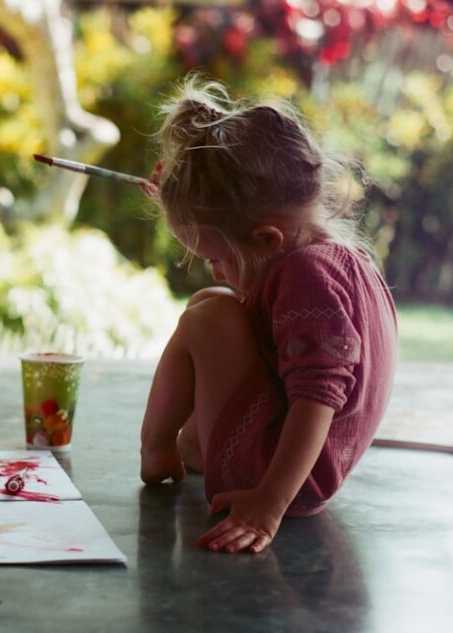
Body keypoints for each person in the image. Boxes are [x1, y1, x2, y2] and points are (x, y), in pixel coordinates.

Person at [139, 76, 398, 554]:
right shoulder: (335, 259)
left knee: (207, 316)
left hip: (280, 479)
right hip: (289, 465)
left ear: (266, 239)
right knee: (212, 300)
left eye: (217, 256)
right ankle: (179, 449)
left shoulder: (306, 275)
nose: (215, 268)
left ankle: (157, 448)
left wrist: (270, 503)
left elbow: (318, 396)